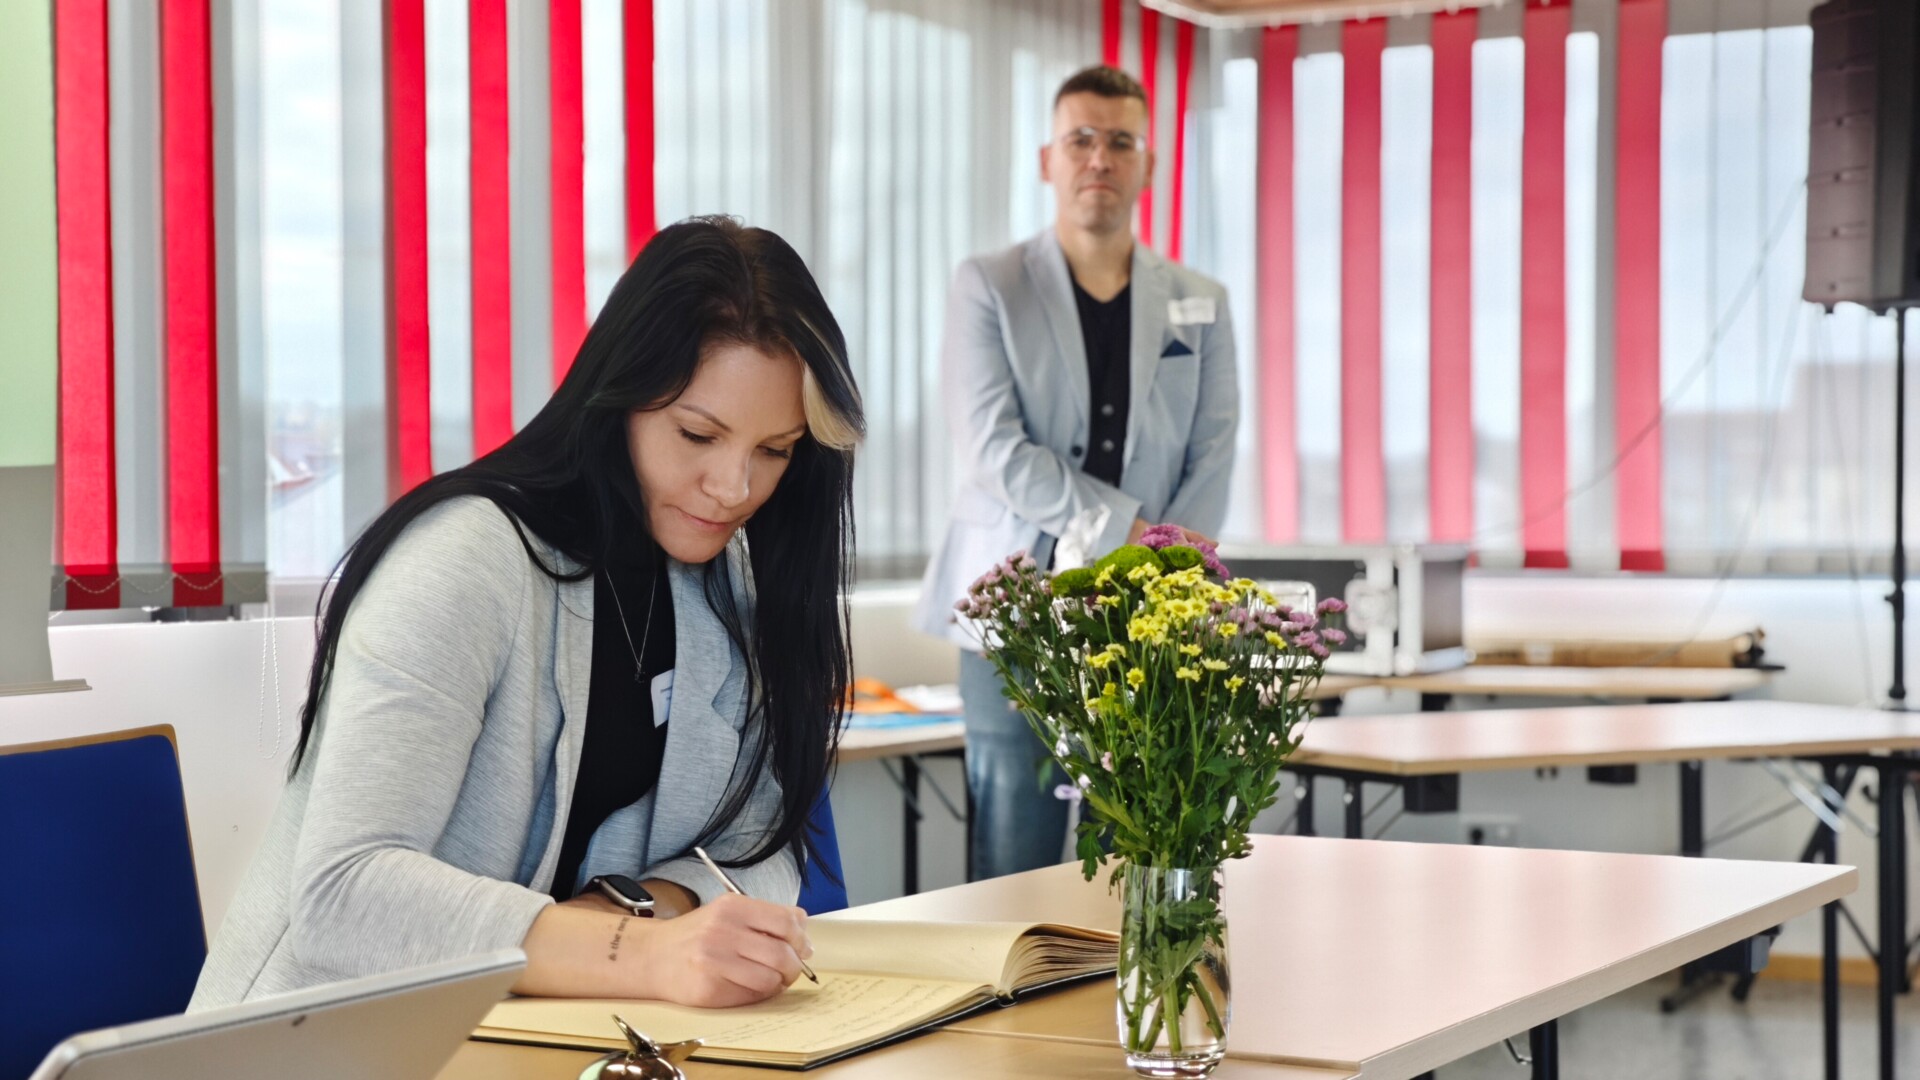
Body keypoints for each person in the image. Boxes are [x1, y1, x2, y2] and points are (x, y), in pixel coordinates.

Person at [191, 217, 865, 1010]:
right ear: (620, 398)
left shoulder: (727, 579)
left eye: (775, 450)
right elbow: (347, 896)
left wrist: (627, 915)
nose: (733, 486)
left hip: (530, 1033)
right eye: (697, 434)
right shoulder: (463, 561)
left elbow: (755, 849)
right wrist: (638, 953)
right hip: (322, 1041)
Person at [916, 65, 1239, 881]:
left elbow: (1215, 445)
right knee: (1014, 859)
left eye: (1120, 141)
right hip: (1014, 606)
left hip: (1148, 618)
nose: (1100, 157)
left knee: (1142, 848)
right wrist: (1131, 531)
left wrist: (1165, 563)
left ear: (1147, 165)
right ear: (1047, 159)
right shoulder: (991, 285)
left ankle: (1127, 1008)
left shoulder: (1200, 300)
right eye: (1081, 139)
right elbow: (993, 449)